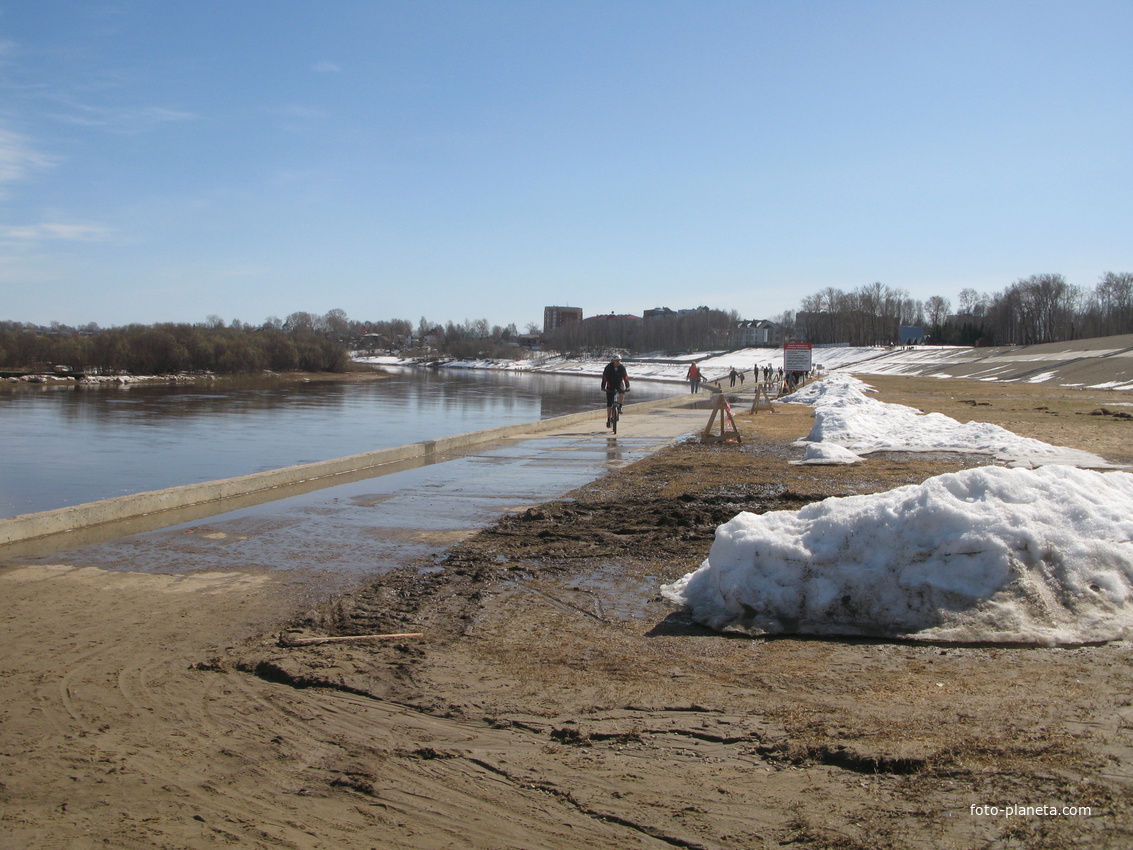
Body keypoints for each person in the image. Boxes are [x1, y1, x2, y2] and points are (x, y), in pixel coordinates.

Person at [602, 354, 629, 428]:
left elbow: (625, 378)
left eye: (619, 361)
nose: (618, 362)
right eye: (617, 361)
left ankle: (620, 406)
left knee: (622, 392)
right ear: (613, 361)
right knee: (609, 404)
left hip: (619, 383)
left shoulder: (622, 368)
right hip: (610, 384)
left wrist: (627, 386)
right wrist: (603, 387)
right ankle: (608, 419)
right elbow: (604, 378)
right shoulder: (608, 368)